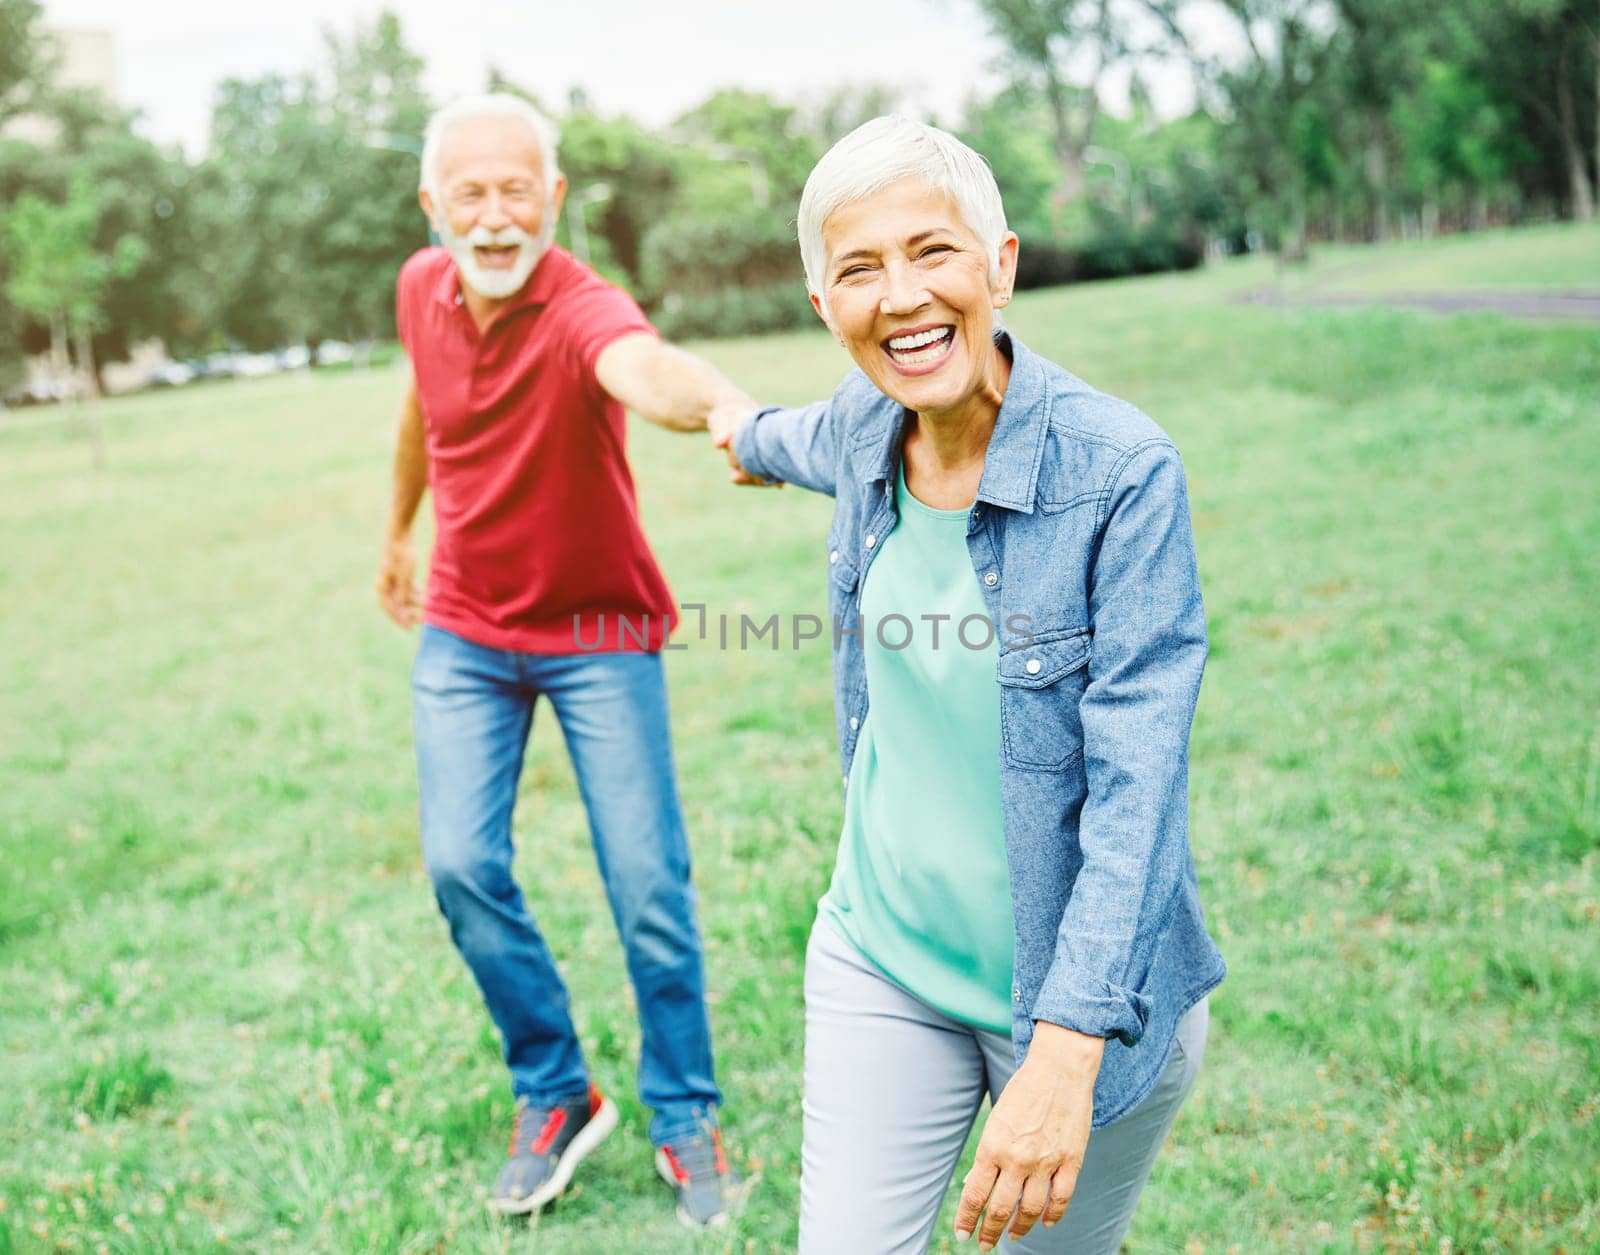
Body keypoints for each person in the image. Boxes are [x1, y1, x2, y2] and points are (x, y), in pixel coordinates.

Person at [716, 117, 1226, 1253]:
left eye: (931, 251)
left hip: (1080, 998)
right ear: (823, 308)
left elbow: (1139, 784)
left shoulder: (1120, 471)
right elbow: (787, 436)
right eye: (859, 269)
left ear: (999, 263)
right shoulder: (859, 425)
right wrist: (737, 432)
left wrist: (1065, 1045)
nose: (900, 296)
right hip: (880, 951)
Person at [379, 92, 756, 1228]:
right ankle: (554, 1088)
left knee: (646, 882)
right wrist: (397, 531)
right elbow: (424, 415)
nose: (494, 219)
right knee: (458, 863)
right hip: (467, 628)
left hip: (598, 630)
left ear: (551, 199)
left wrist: (726, 402)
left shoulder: (583, 305)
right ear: (433, 205)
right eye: (469, 194)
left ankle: (685, 1111)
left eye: (515, 192)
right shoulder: (418, 289)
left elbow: (643, 369)